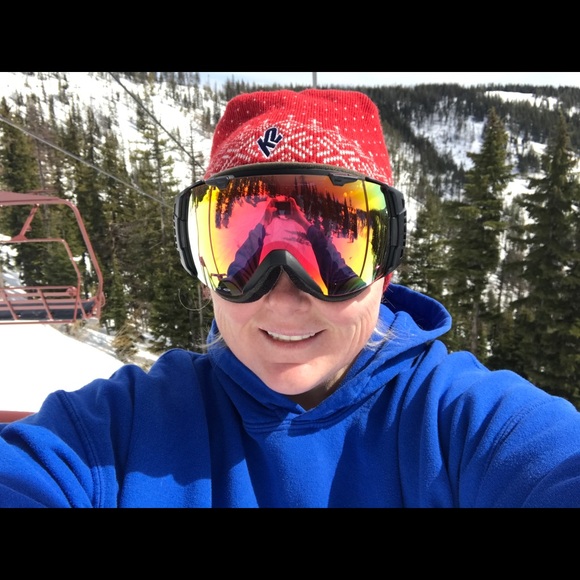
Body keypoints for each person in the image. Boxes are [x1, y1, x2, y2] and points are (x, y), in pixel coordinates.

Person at [1, 88, 580, 508]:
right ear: (202, 269)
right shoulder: (117, 432)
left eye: (333, 246)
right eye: (240, 246)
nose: (283, 297)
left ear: (386, 267)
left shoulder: (462, 424)